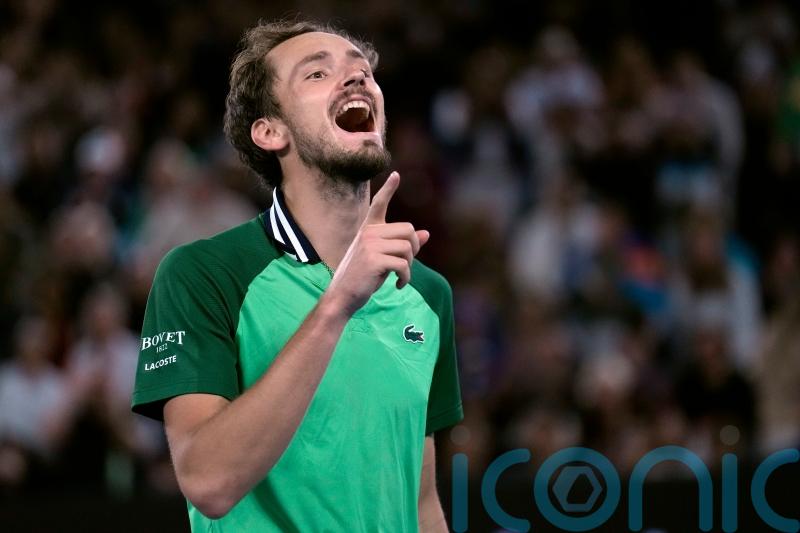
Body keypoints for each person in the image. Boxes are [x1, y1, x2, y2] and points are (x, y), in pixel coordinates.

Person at [131, 19, 463, 532]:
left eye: (362, 71)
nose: (356, 79)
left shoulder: (426, 292)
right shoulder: (203, 273)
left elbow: (419, 502)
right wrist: (337, 304)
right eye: (316, 74)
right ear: (269, 131)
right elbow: (208, 481)